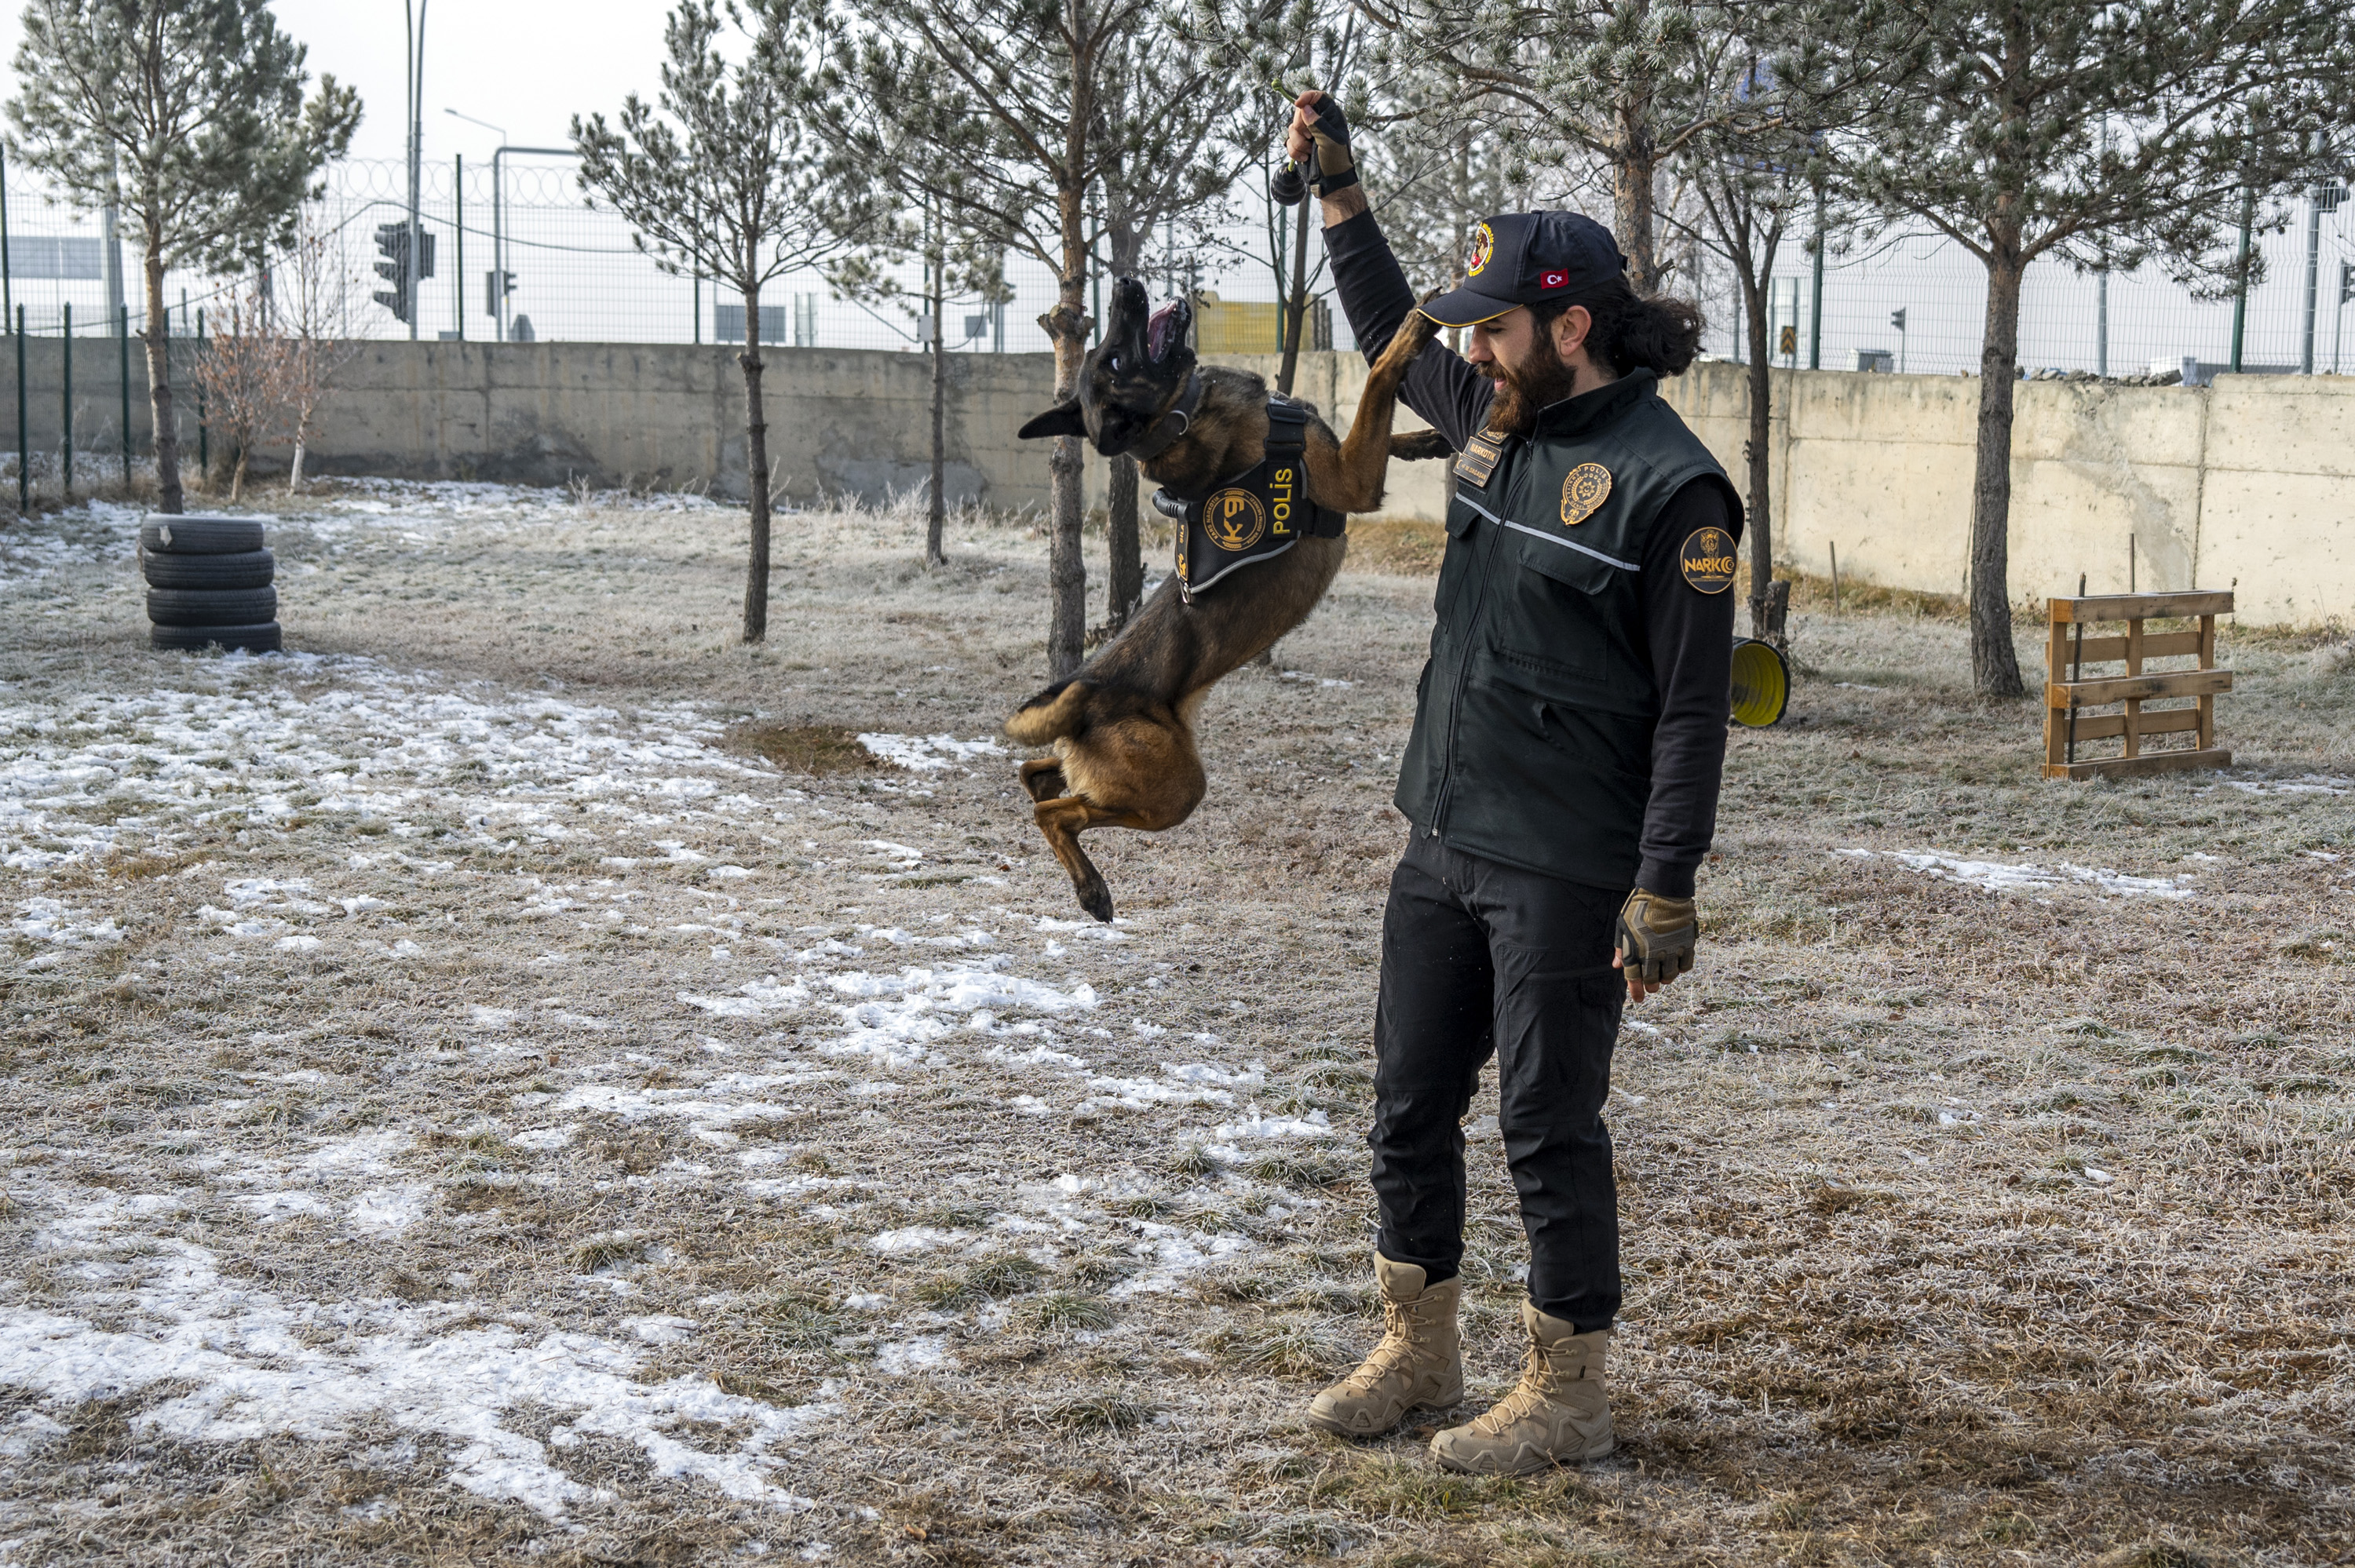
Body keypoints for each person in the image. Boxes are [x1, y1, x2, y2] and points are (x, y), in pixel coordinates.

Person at [1283, 90, 1745, 1475]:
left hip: (1564, 860)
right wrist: (1338, 194)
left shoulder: (1676, 493)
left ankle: (1568, 1393)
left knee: (1547, 1120)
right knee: (1409, 1096)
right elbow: (1387, 331)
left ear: (1572, 329)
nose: (1471, 347)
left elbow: (1695, 709)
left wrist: (1664, 884)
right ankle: (1420, 1350)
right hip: (1444, 832)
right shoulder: (1494, 412)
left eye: (1495, 325)